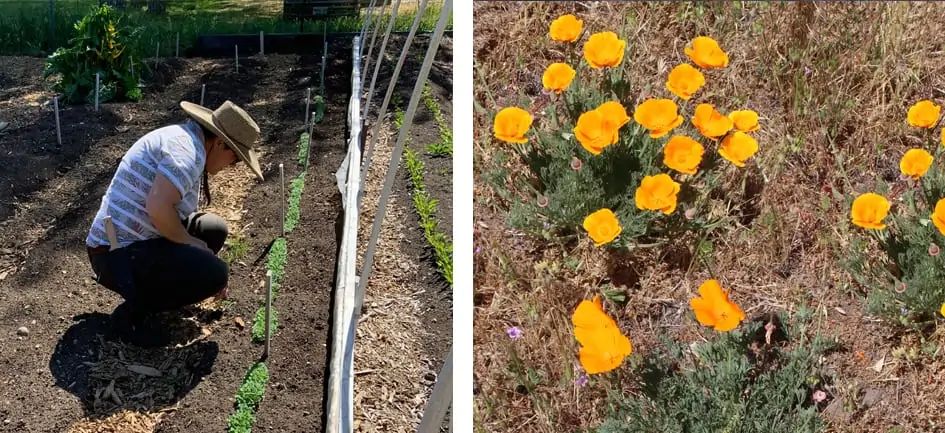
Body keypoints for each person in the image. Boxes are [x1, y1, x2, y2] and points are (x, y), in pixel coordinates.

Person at [86, 100, 264, 345]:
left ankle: (159, 293)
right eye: (234, 160)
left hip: (136, 241)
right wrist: (193, 246)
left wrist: (196, 246)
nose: (230, 168)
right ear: (221, 143)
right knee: (214, 272)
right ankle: (133, 316)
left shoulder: (187, 141)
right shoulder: (187, 153)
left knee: (212, 230)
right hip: (114, 254)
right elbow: (158, 209)